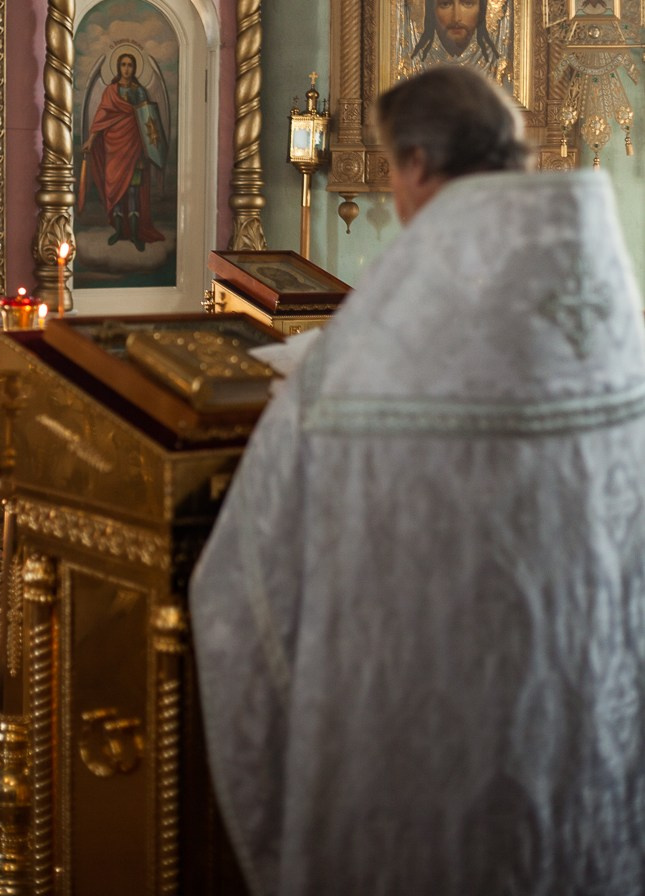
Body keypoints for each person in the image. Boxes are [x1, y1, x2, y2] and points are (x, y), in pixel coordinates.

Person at [191, 65, 645, 896]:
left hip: (433, 753)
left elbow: (243, 588)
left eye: (393, 171)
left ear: (418, 166)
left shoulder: (379, 347)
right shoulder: (609, 310)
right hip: (580, 718)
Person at [81, 50, 164, 252]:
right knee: (115, 191)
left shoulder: (139, 91)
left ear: (135, 68)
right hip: (114, 149)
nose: (127, 68)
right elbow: (101, 117)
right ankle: (119, 231)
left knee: (133, 191)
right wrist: (91, 140)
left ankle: (135, 235)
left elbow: (147, 120)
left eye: (130, 65)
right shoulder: (111, 91)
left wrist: (148, 149)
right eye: (123, 65)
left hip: (134, 148)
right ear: (118, 68)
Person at [412, 0, 501, 69]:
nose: (456, 17)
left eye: (468, 3)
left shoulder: (494, 65)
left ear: (482, 10)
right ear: (431, 11)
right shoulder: (418, 65)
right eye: (445, 4)